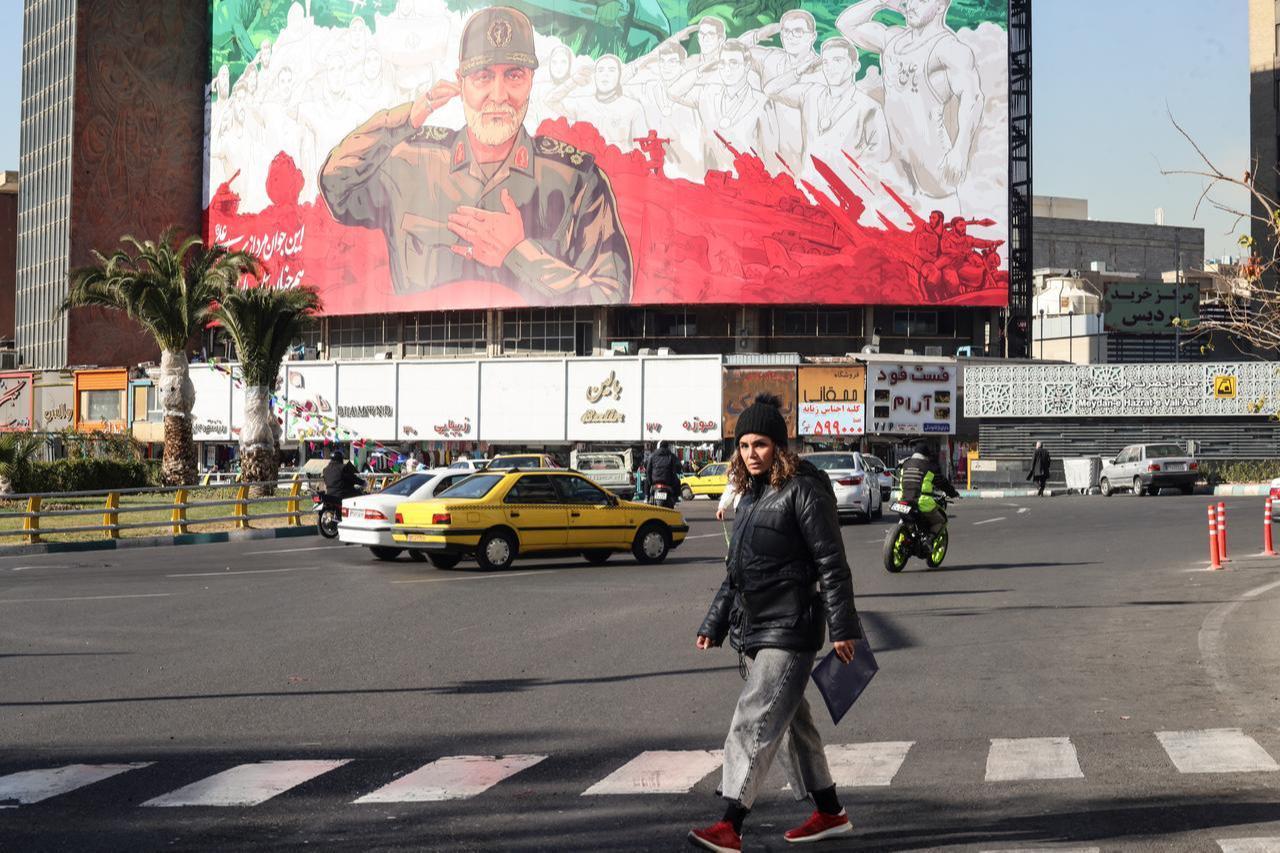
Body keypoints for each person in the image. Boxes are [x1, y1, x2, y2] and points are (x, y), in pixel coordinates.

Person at [320, 5, 633, 305]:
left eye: (513, 76)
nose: (498, 96)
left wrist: (519, 253)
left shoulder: (575, 181)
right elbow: (335, 186)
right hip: (419, 353)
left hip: (540, 353)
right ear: (460, 82)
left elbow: (612, 296)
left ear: (530, 82)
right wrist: (404, 120)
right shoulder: (411, 162)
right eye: (483, 76)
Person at [692, 393, 861, 851]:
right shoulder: (750, 494)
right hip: (757, 625)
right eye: (744, 445)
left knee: (754, 716)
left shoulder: (804, 489)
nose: (751, 454)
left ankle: (731, 823)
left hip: (791, 626)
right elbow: (736, 570)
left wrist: (844, 629)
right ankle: (829, 811)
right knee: (788, 723)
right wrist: (715, 622)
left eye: (760, 444)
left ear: (780, 446)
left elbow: (832, 563)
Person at [837, 0, 985, 200]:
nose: (912, 4)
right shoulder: (892, 38)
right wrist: (882, 2)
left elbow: (973, 98)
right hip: (894, 162)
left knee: (939, 221)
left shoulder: (950, 49)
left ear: (941, 7)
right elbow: (846, 24)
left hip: (932, 167)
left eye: (922, 1)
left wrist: (960, 149)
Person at [898, 439, 959, 534]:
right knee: (941, 521)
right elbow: (942, 483)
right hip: (921, 503)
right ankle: (928, 541)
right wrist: (953, 493)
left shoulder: (905, 465)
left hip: (902, 501)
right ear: (926, 455)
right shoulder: (929, 467)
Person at [645, 440, 680, 508]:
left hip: (655, 482)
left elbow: (648, 470)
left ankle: (646, 497)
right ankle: (676, 498)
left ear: (659, 446)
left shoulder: (652, 455)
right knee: (678, 481)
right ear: (667, 447)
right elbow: (678, 466)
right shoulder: (671, 456)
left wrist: (650, 481)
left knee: (646, 480)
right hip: (668, 482)